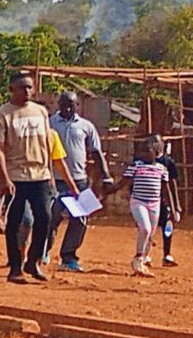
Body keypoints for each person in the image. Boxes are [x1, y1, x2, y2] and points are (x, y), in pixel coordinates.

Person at [49, 92, 112, 272]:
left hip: (80, 181)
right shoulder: (49, 124)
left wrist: (106, 176)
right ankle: (42, 250)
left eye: (71, 105)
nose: (67, 109)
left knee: (81, 219)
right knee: (51, 217)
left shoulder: (86, 126)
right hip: (56, 180)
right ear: (58, 105)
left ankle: (68, 257)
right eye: (64, 105)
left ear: (77, 106)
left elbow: (96, 152)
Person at [123, 136, 176, 277]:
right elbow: (123, 182)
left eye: (148, 151)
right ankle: (137, 258)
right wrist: (106, 192)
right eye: (143, 151)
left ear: (156, 152)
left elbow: (166, 190)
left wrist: (174, 209)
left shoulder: (162, 169)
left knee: (150, 233)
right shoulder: (136, 166)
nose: (144, 154)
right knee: (145, 228)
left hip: (155, 203)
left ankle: (142, 261)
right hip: (138, 201)